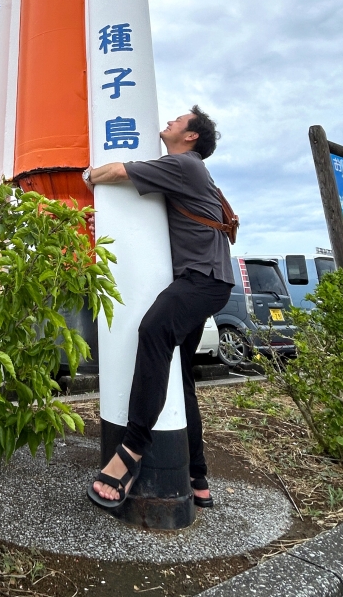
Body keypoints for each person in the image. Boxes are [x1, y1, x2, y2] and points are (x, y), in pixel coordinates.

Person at [84, 106, 235, 512]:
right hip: (210, 280)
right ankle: (197, 476)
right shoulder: (188, 168)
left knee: (153, 331)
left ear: (191, 137)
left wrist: (87, 177)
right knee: (179, 375)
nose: (168, 121)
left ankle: (131, 450)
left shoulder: (185, 165)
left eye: (178, 120)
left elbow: (117, 172)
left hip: (201, 279)